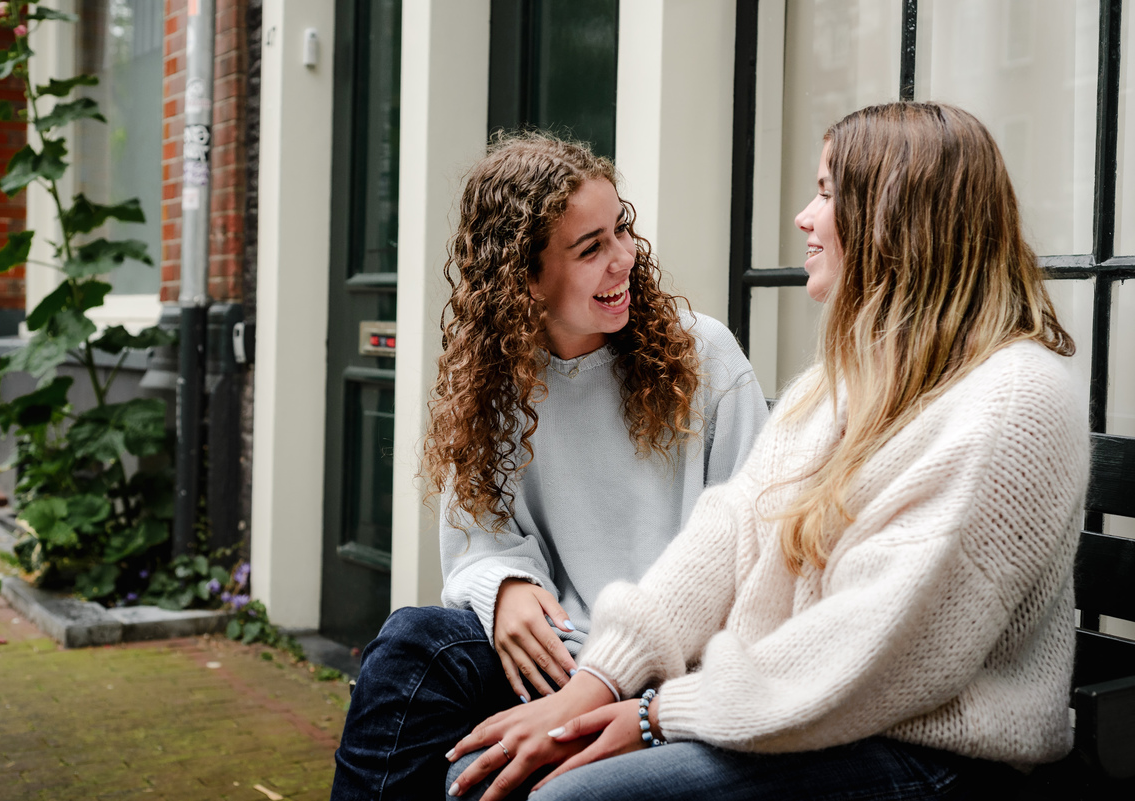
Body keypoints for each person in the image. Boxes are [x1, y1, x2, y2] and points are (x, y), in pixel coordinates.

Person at [445, 102, 1090, 801]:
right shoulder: (845, 383)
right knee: (477, 780)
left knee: (568, 798)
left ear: (896, 220)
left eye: (825, 193)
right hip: (799, 713)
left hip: (927, 746)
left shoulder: (1015, 400)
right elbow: (726, 533)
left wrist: (654, 714)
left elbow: (872, 648)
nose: (804, 219)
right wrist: (596, 685)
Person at [327, 132, 770, 800]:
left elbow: (755, 542)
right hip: (558, 651)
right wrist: (502, 586)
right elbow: (475, 540)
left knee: (470, 778)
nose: (624, 258)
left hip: (670, 665)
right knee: (413, 644)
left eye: (620, 230)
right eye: (591, 248)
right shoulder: (495, 384)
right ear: (525, 277)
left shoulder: (701, 356)